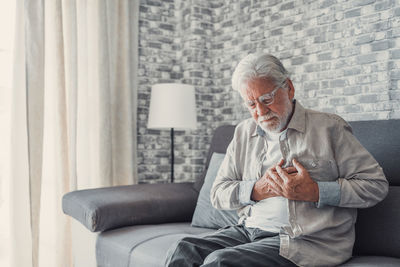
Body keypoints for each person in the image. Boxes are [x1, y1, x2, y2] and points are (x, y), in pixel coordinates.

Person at [165, 53, 388, 267]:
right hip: (249, 231)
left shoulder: (329, 128)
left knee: (221, 262)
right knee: (184, 250)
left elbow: (375, 186)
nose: (260, 111)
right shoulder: (243, 133)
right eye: (251, 104)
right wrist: (257, 190)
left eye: (267, 99)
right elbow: (218, 194)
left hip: (305, 240)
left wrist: (315, 191)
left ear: (288, 88)